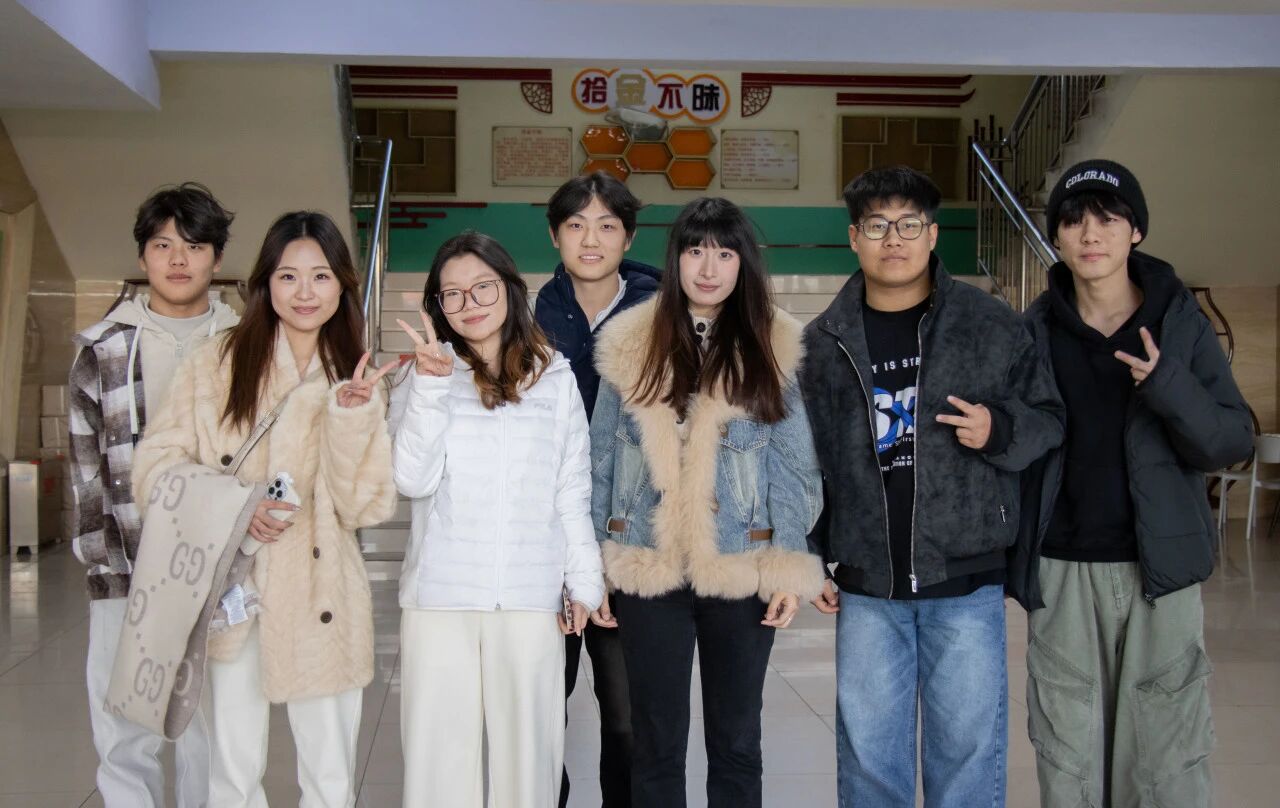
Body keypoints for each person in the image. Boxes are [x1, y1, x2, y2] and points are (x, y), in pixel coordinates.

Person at [799, 166, 1064, 808]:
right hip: (867, 583)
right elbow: (802, 461)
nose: (894, 239)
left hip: (965, 580)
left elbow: (1048, 419)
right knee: (870, 760)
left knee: (967, 758)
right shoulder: (822, 343)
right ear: (854, 238)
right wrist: (809, 555)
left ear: (933, 234)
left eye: (909, 224)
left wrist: (998, 429)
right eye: (877, 225)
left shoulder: (989, 324)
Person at [133, 210, 397, 808]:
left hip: (322, 591)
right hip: (235, 589)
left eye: (321, 276)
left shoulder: (355, 375)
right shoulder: (214, 364)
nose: (305, 292)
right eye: (288, 276)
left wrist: (352, 418)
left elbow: (365, 506)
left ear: (342, 286)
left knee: (329, 776)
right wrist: (234, 509)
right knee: (231, 772)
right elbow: (155, 467)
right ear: (265, 283)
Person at [1010, 159, 1253, 808]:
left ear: (1135, 231)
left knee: (1165, 758)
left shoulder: (1179, 322)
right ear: (1056, 237)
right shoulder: (1032, 332)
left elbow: (1232, 439)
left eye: (1108, 220)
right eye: (1073, 221)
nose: (1091, 234)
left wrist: (1168, 383)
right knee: (1067, 755)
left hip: (1161, 569)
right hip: (1061, 568)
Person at [590, 196, 825, 808]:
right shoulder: (629, 344)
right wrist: (595, 568)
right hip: (647, 566)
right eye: (695, 251)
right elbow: (599, 463)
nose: (709, 267)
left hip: (741, 568)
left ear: (744, 263)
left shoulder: (773, 345)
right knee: (655, 744)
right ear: (676, 259)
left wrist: (787, 566)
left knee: (737, 742)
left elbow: (794, 468)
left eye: (725, 253)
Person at [390, 231, 605, 808]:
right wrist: (431, 388)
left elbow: (571, 489)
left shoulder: (554, 376)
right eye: (452, 294)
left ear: (509, 289)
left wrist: (584, 581)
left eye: (483, 286)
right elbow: (411, 480)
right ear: (438, 305)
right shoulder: (423, 375)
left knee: (528, 764)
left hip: (529, 598)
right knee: (439, 767)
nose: (470, 303)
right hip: (441, 598)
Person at [68, 181, 237, 807]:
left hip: (221, 570)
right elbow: (86, 468)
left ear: (216, 258)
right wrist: (103, 563)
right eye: (163, 244)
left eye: (194, 245)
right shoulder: (103, 347)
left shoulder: (247, 343)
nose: (178, 259)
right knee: (124, 726)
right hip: (126, 563)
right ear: (142, 255)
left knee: (211, 731)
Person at [535, 171, 659, 808]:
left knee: (627, 715)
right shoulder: (530, 318)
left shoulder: (660, 315)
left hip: (628, 536)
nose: (591, 239)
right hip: (547, 541)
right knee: (541, 708)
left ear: (628, 237)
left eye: (607, 225)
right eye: (576, 225)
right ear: (554, 235)